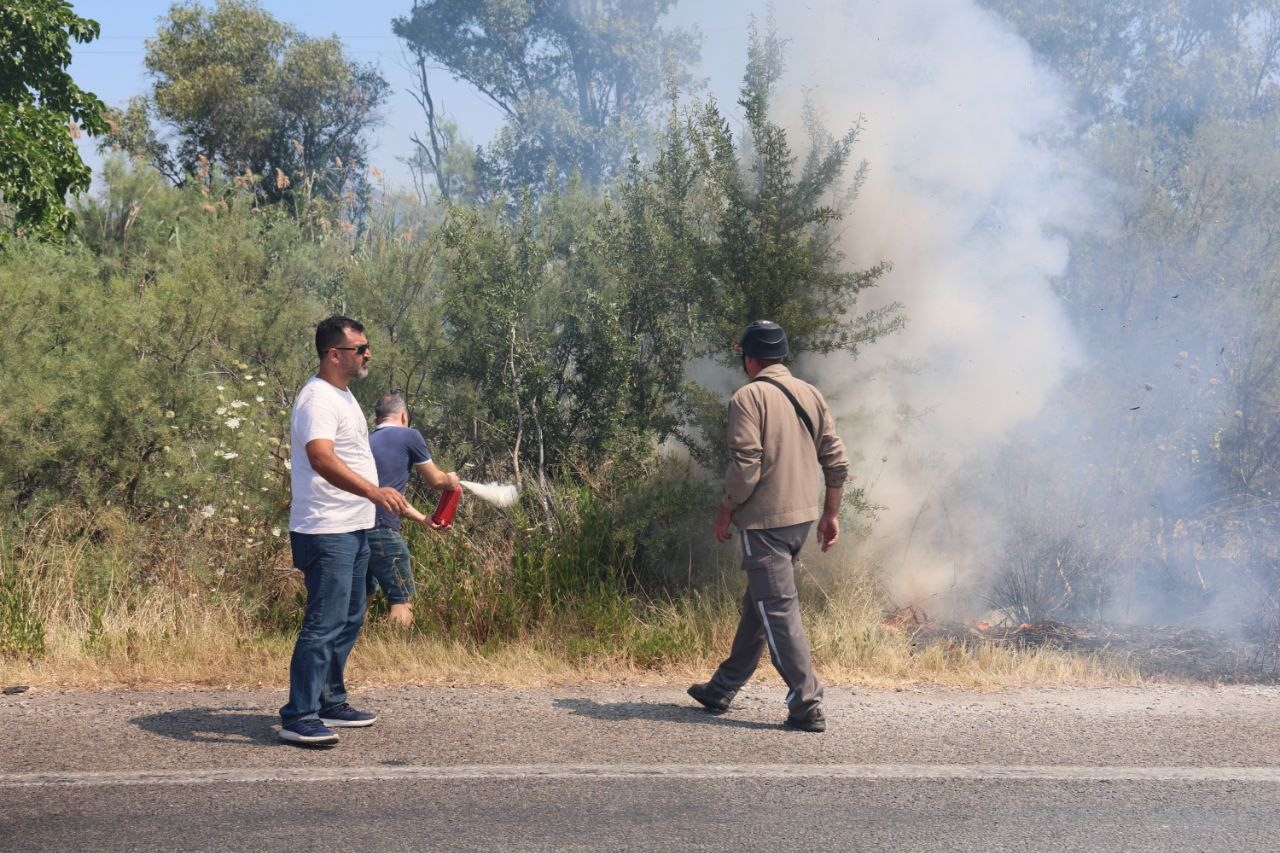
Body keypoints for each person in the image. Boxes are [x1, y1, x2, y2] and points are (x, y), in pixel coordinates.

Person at [688, 320, 849, 733]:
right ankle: (722, 688)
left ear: (749, 358)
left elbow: (745, 466)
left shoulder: (748, 396)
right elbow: (835, 460)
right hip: (802, 519)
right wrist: (831, 514)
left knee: (776, 611)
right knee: (759, 606)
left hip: (765, 524)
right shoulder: (810, 393)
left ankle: (807, 703)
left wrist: (725, 510)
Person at [279, 316, 408, 746]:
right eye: (360, 349)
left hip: (353, 526)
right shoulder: (317, 399)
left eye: (367, 347)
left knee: (350, 616)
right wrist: (372, 490)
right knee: (324, 621)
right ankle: (299, 714)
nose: (367, 354)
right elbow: (320, 457)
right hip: (326, 529)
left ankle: (331, 699)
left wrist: (374, 501)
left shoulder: (344, 396)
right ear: (334, 354)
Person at [367, 393, 460, 627]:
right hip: (382, 529)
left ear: (377, 420)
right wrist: (449, 479)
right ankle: (393, 657)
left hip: (354, 530)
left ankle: (351, 654)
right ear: (404, 416)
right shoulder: (409, 435)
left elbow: (390, 496)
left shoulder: (365, 440)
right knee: (402, 599)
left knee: (361, 598)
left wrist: (423, 519)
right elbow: (435, 481)